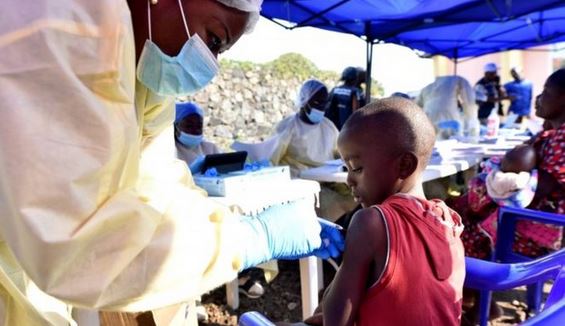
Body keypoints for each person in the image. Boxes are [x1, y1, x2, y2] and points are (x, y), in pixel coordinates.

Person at [0, 1, 344, 325]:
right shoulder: (63, 23)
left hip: (30, 272)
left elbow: (161, 190)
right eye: (214, 39)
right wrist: (252, 239)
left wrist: (237, 223)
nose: (210, 63)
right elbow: (75, 243)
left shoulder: (141, 75)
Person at [316, 98, 466, 326]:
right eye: (345, 168)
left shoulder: (371, 222)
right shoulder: (451, 223)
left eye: (356, 168)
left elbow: (336, 322)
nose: (348, 180)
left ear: (404, 166)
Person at [450, 68, 565, 319]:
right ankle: (478, 299)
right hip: (536, 219)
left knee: (455, 229)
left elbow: (538, 189)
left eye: (546, 92)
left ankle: (480, 303)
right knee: (457, 207)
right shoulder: (553, 134)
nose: (538, 98)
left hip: (542, 229)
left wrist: (490, 187)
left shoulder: (562, 139)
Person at [270, 79, 356, 221]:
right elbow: (270, 160)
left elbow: (341, 154)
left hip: (329, 181)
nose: (321, 108)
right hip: (301, 184)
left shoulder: (328, 127)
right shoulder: (288, 127)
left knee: (355, 195)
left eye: (324, 103)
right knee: (331, 203)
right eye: (317, 103)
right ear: (304, 101)